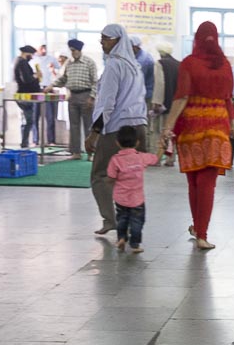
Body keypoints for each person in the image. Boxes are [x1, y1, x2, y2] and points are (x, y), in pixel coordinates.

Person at [161, 21, 234, 251]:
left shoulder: (189, 63)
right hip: (217, 129)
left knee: (194, 182)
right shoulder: (224, 65)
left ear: (197, 39)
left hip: (191, 129)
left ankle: (199, 229)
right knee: (207, 184)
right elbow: (227, 98)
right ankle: (201, 232)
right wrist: (233, 124)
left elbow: (182, 97)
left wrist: (168, 127)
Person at [86, 25, 147, 236]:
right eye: (101, 38)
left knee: (100, 175)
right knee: (130, 176)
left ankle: (110, 219)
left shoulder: (114, 65)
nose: (102, 42)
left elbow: (107, 102)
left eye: (106, 38)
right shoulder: (134, 66)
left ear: (118, 40)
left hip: (117, 128)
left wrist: (94, 132)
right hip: (138, 125)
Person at [107, 125, 159, 253]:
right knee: (137, 221)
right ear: (137, 142)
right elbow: (155, 159)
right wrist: (162, 148)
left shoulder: (115, 160)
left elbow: (111, 177)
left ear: (117, 142)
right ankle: (135, 244)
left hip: (121, 198)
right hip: (137, 199)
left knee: (122, 219)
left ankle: (121, 238)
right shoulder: (141, 157)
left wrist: (112, 182)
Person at [50, 38, 97, 158]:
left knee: (88, 126)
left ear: (79, 50)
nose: (72, 53)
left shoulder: (89, 62)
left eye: (74, 50)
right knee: (74, 126)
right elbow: (63, 79)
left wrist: (92, 97)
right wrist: (51, 85)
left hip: (85, 95)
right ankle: (76, 152)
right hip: (72, 96)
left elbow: (95, 82)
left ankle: (91, 153)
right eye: (71, 50)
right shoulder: (69, 63)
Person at [13, 45, 40, 148]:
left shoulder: (19, 61)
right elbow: (26, 79)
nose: (32, 57)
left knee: (27, 120)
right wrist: (36, 76)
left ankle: (25, 143)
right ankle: (24, 144)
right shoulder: (22, 62)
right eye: (31, 55)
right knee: (28, 120)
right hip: (24, 95)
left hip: (23, 95)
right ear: (26, 53)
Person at [33, 44, 60, 142]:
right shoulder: (33, 60)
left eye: (45, 48)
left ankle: (51, 140)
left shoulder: (51, 59)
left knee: (50, 116)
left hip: (48, 88)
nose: (44, 50)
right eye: (41, 48)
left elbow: (60, 69)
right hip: (36, 89)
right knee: (35, 116)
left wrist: (53, 70)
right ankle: (35, 140)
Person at [131, 35, 155, 107]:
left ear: (136, 47)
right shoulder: (135, 56)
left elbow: (137, 79)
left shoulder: (144, 59)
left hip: (144, 95)